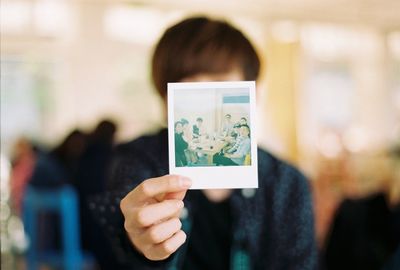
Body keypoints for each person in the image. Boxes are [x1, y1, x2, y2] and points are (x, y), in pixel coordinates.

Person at [89, 16, 317, 269]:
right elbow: (118, 244)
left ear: (254, 96)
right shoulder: (138, 164)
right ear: (166, 102)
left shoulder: (286, 182)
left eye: (222, 89)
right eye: (192, 92)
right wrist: (138, 242)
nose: (208, 107)